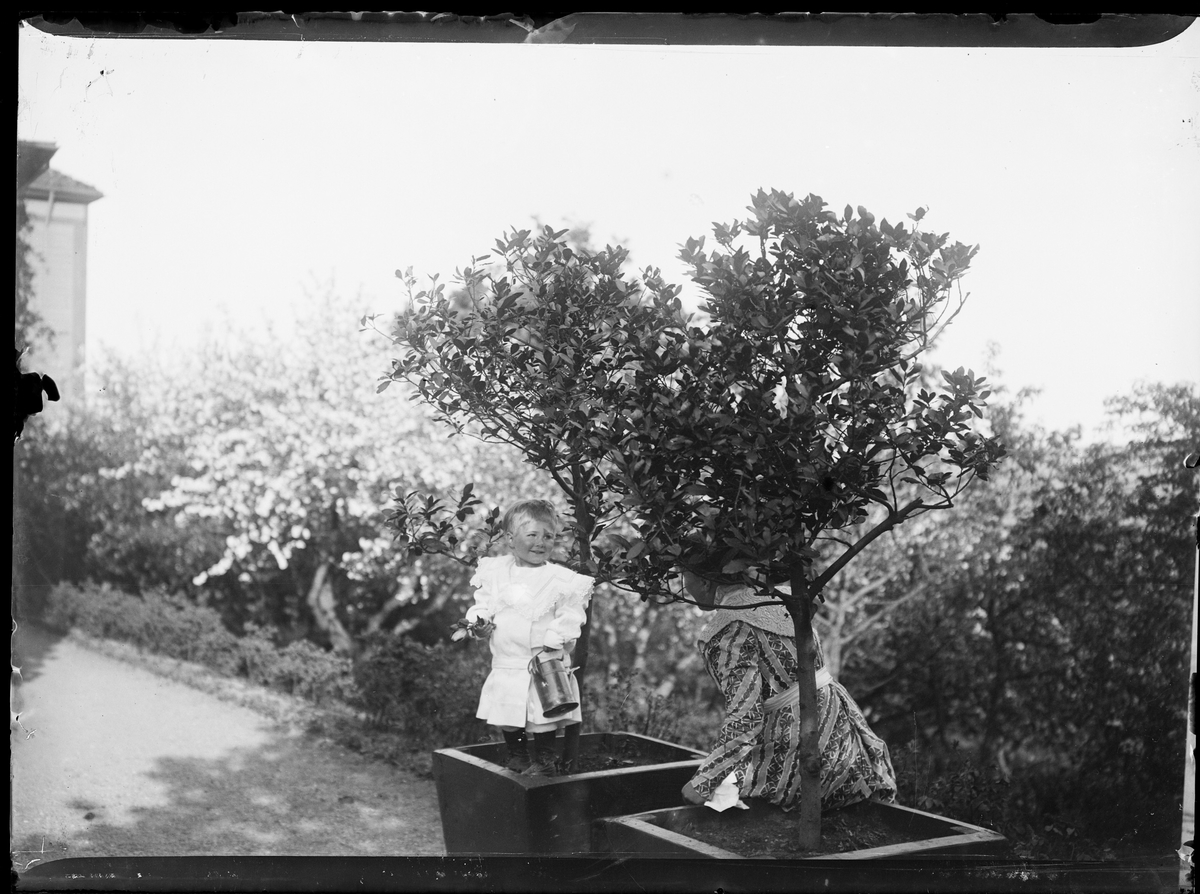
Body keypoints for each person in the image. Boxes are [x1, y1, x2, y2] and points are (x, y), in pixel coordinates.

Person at [680, 574, 897, 812]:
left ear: (705, 581)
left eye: (683, 576)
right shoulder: (781, 599)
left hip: (798, 745)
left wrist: (704, 782)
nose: (682, 587)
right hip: (842, 734)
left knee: (721, 802)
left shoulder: (730, 629)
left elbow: (746, 718)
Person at [459, 499, 594, 776]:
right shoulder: (495, 572)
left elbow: (571, 614)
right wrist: (479, 624)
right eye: (531, 535)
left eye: (548, 536)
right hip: (508, 659)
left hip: (543, 660)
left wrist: (557, 638)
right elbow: (482, 604)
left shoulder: (560, 579)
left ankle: (544, 759)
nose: (540, 542)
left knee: (544, 713)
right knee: (510, 713)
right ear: (510, 538)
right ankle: (517, 755)